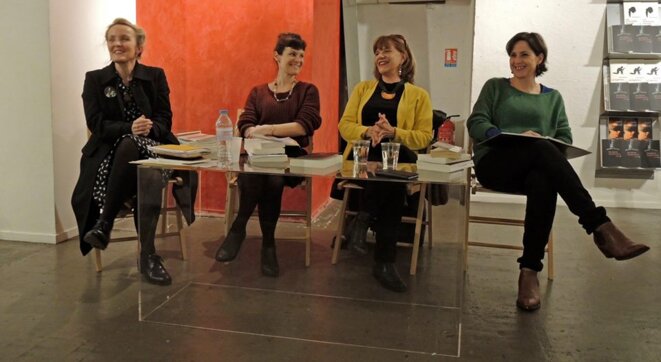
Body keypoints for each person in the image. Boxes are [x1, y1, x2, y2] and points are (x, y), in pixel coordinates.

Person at [467, 32, 650, 311]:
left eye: (524, 54)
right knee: (540, 148)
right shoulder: (495, 87)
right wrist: (503, 134)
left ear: (539, 58)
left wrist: (545, 143)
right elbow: (476, 120)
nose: (517, 61)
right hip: (496, 162)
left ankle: (529, 273)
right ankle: (599, 226)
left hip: (533, 168)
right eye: (513, 55)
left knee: (543, 179)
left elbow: (564, 135)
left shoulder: (553, 98)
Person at [71, 18, 196, 285]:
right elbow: (95, 124)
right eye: (112, 39)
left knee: (141, 159)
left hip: (153, 148)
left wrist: (148, 128)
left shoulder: (155, 76)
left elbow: (165, 118)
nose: (117, 44)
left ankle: (104, 224)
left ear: (139, 46)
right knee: (143, 172)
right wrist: (129, 126)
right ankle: (148, 256)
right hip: (110, 155)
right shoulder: (94, 80)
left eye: (124, 39)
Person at [214, 33, 321, 277]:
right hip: (258, 156)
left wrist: (267, 130)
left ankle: (239, 229)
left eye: (301, 55)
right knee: (260, 173)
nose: (298, 59)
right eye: (292, 53)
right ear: (277, 56)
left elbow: (305, 125)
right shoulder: (258, 92)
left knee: (270, 176)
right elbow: (245, 123)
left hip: (291, 159)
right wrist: (252, 131)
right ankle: (267, 247)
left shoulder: (307, 91)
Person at [337, 34, 433, 292]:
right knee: (386, 181)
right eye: (377, 51)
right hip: (362, 158)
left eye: (387, 50)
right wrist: (369, 131)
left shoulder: (418, 95)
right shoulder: (362, 89)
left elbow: (425, 137)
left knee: (389, 180)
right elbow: (344, 126)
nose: (380, 55)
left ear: (403, 56)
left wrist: (393, 132)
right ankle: (383, 263)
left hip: (399, 160)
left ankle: (362, 221)